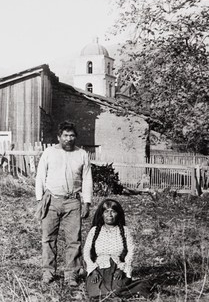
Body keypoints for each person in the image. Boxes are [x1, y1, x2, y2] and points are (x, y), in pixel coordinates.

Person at [35, 121, 93, 287]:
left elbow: (87, 179)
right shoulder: (49, 153)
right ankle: (48, 272)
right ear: (59, 137)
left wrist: (86, 202)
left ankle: (71, 274)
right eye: (65, 136)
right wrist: (40, 200)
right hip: (51, 200)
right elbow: (40, 176)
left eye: (72, 135)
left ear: (76, 137)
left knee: (74, 240)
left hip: (73, 201)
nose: (69, 139)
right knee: (48, 238)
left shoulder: (82, 154)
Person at [83, 199, 150, 299]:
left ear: (118, 214)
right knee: (95, 293)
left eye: (113, 211)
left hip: (118, 268)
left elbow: (131, 251)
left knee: (116, 289)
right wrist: (93, 270)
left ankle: (140, 286)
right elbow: (86, 251)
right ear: (101, 214)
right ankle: (127, 291)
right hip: (98, 268)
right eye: (106, 212)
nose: (109, 215)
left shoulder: (125, 231)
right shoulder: (94, 231)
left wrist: (122, 269)